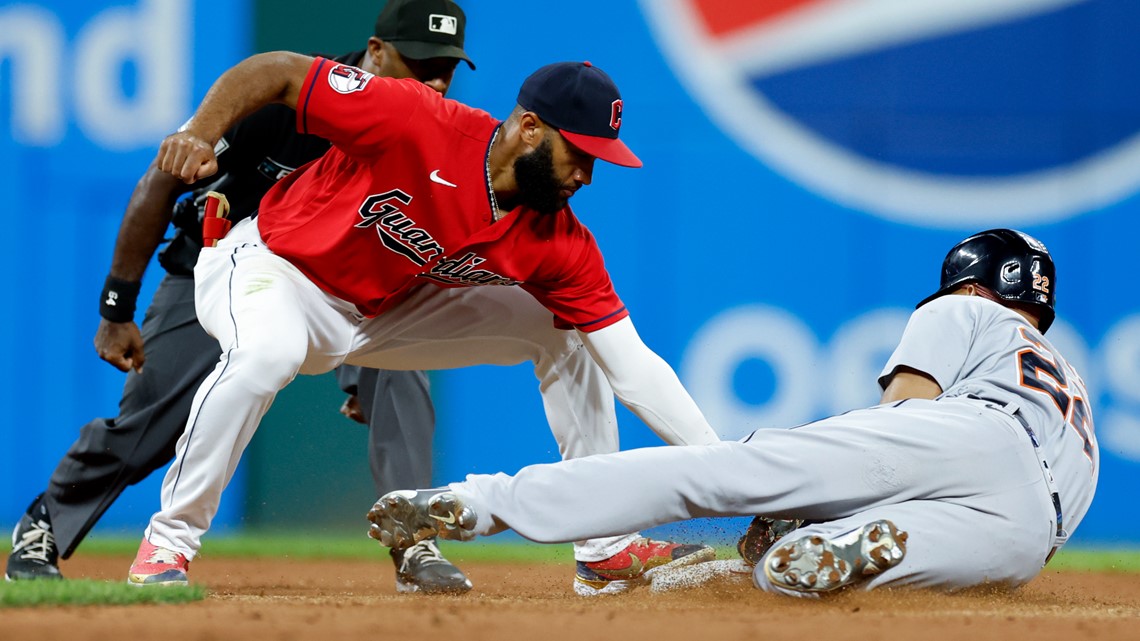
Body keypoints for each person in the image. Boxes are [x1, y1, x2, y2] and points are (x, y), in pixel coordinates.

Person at [126, 50, 724, 594]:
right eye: (581, 154)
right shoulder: (417, 118)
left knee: (566, 334)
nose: (587, 176)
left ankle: (605, 548)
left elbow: (633, 367)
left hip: (379, 310)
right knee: (267, 355)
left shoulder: (560, 241)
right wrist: (196, 134)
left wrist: (728, 469)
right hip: (271, 266)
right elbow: (275, 73)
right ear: (530, 127)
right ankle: (167, 545)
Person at [7, 0, 478, 595]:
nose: (436, 81)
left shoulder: (434, 130)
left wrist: (365, 367)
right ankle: (46, 523)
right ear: (376, 52)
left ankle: (413, 542)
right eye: (422, 63)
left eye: (449, 68)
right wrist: (116, 308)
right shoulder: (301, 101)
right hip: (226, 264)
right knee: (154, 424)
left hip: (342, 282)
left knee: (407, 369)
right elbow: (163, 177)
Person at [367, 229, 1100, 596]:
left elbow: (907, 414)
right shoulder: (1075, 389)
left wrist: (800, 496)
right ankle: (843, 551)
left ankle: (473, 502)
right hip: (1029, 532)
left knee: (716, 474)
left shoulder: (966, 312)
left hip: (972, 434)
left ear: (969, 286)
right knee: (786, 572)